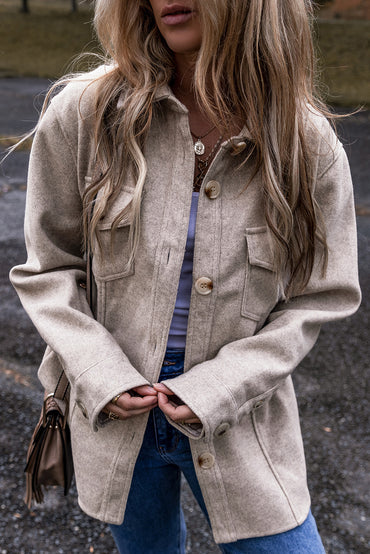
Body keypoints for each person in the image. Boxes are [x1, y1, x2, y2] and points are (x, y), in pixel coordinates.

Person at [10, 0, 361, 552]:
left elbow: (319, 296)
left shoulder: (307, 144)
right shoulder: (84, 114)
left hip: (239, 420)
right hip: (115, 408)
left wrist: (218, 388)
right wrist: (101, 372)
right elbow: (49, 268)